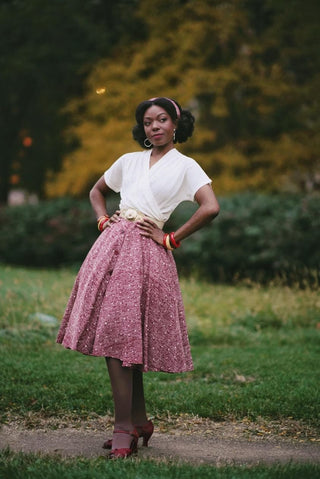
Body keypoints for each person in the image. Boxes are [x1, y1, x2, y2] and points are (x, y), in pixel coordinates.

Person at [56, 96, 220, 459]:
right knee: (119, 334)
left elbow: (211, 207)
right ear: (142, 128)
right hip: (111, 248)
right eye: (148, 122)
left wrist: (171, 238)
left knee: (124, 337)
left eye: (162, 120)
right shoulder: (128, 161)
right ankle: (138, 421)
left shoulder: (186, 166)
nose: (155, 127)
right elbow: (96, 191)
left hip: (147, 254)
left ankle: (123, 427)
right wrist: (102, 220)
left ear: (176, 123)